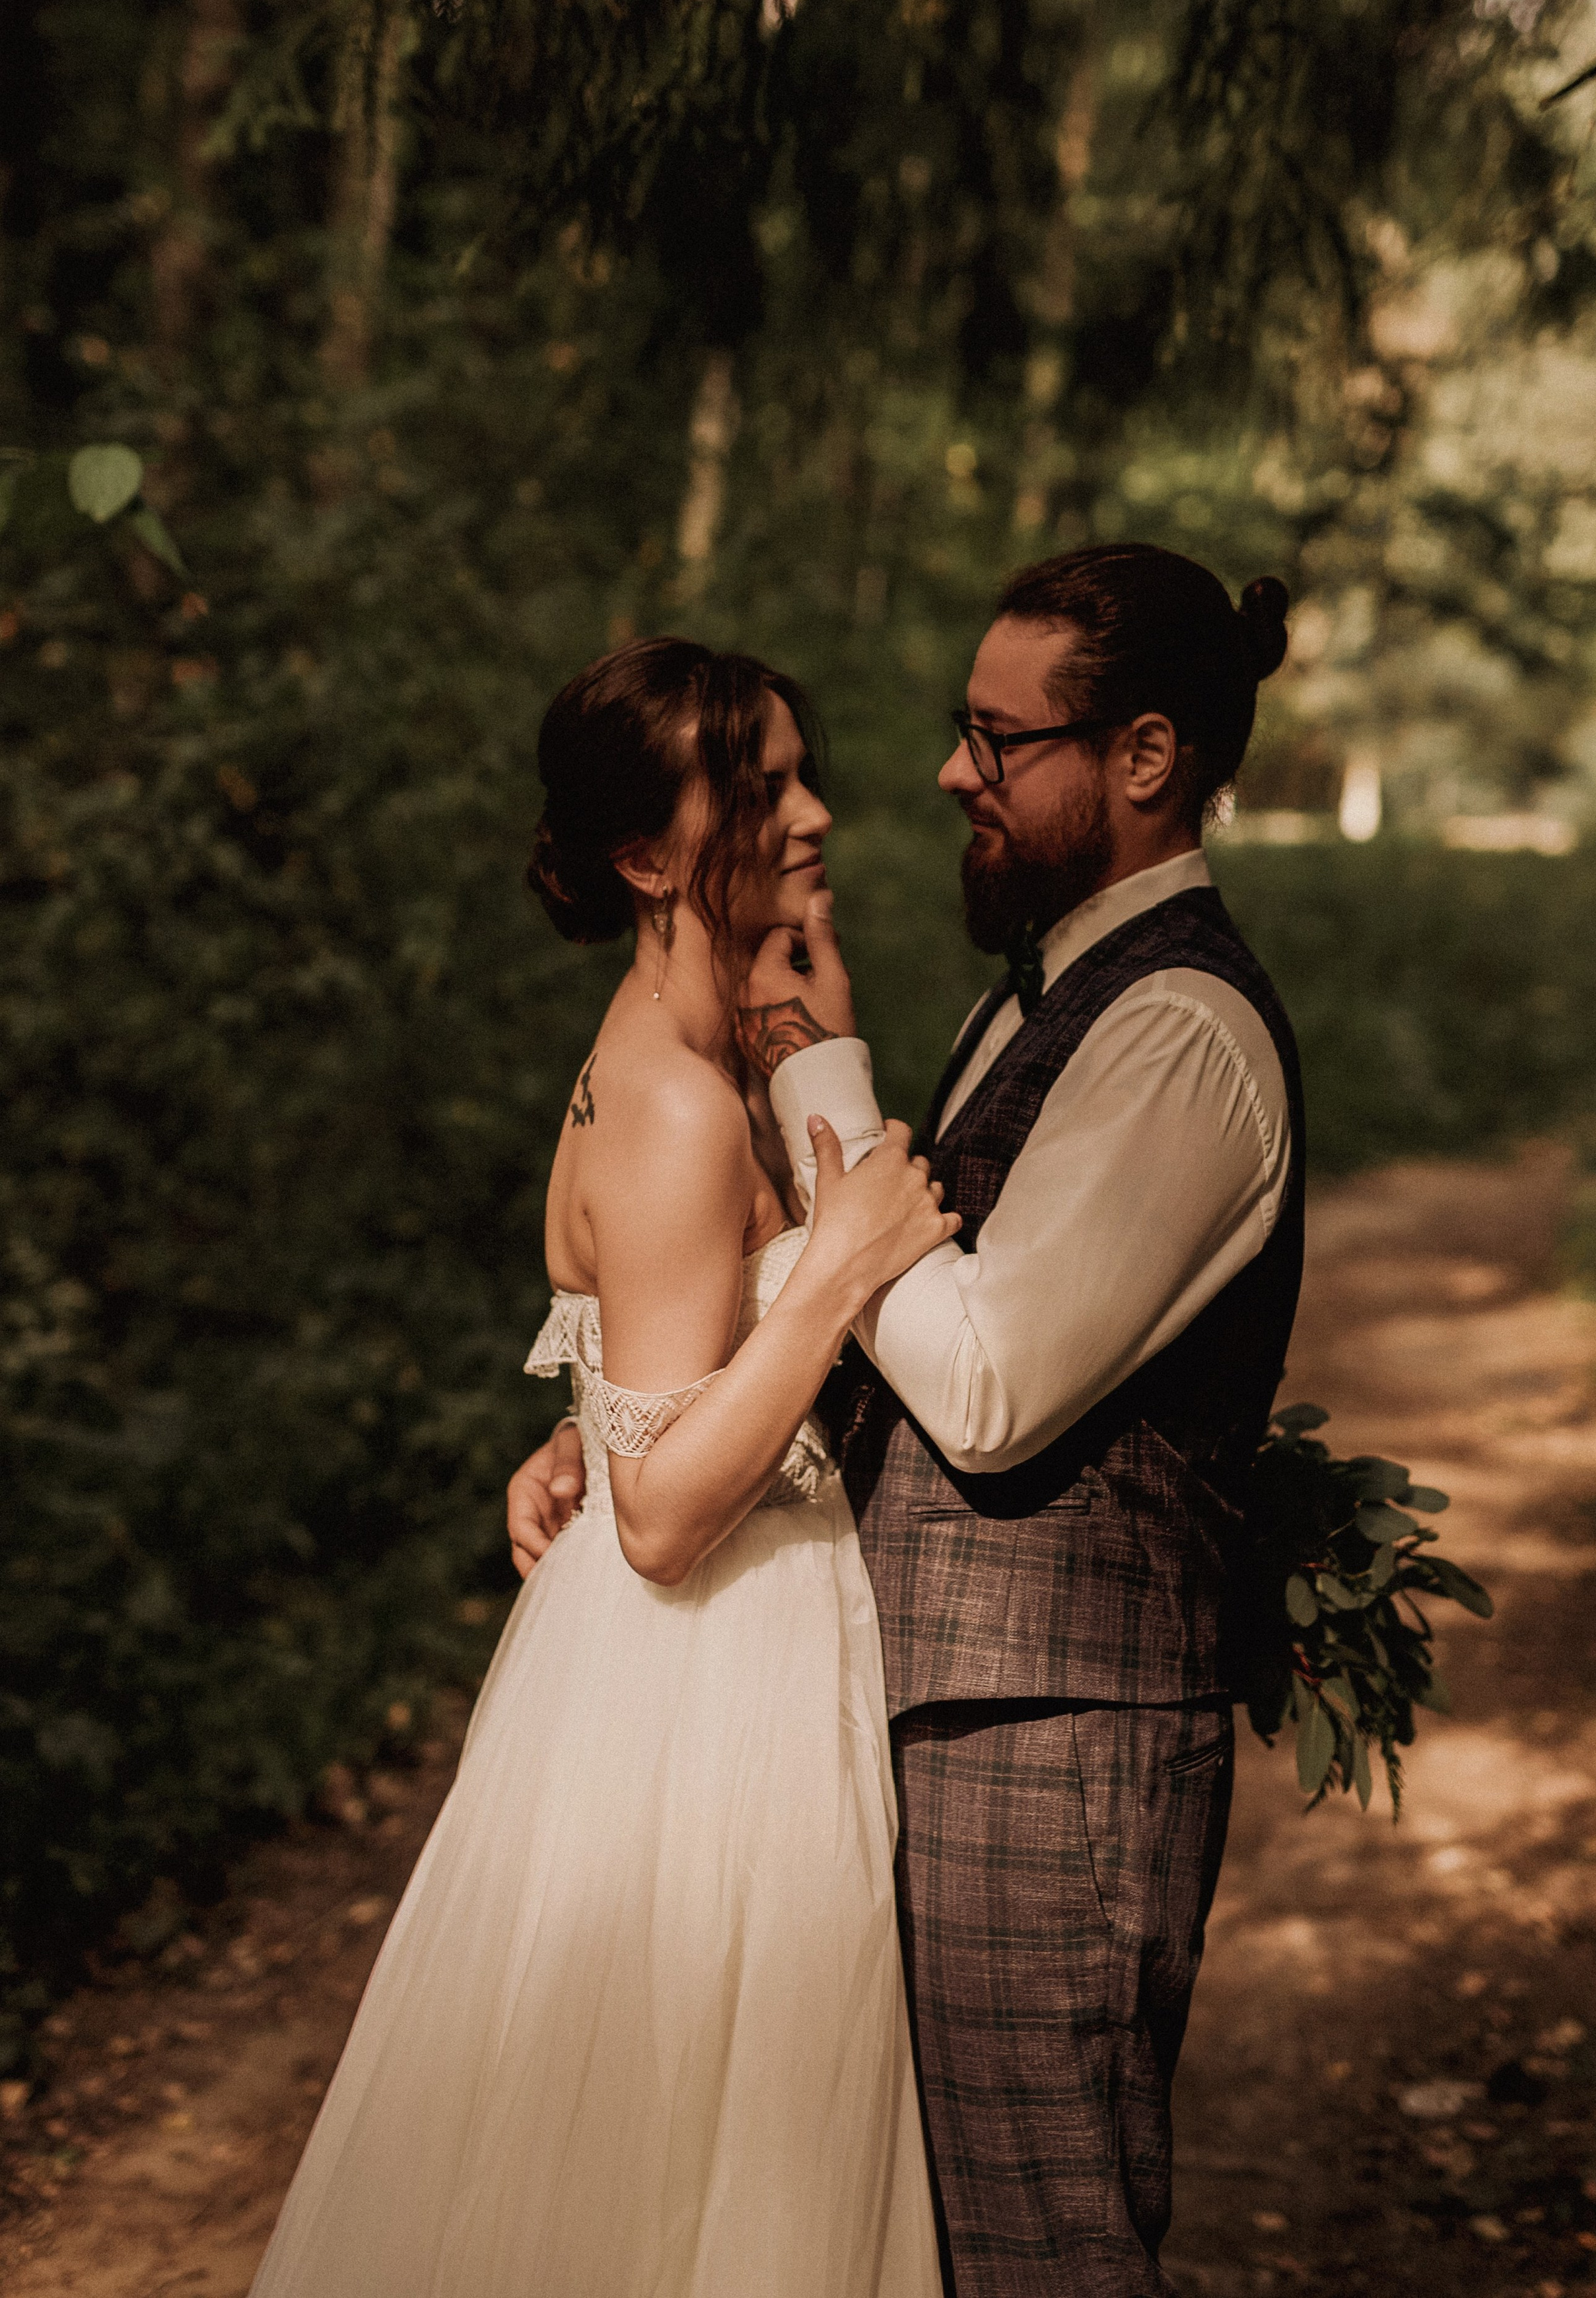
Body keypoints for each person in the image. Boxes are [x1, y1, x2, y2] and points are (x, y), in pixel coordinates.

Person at [512, 543, 1303, 2297]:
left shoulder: (1176, 1032)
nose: (945, 770)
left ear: (1146, 757)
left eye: (996, 735)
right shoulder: (1032, 998)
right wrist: (626, 1403)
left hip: (1053, 1733)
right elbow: (819, 1306)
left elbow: (991, 1382)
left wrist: (818, 1074)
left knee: (1042, 2239)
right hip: (896, 1703)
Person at [250, 639, 955, 2298]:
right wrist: (843, 1269)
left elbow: (651, 1376)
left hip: (732, 1655)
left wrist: (582, 1421)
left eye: (802, 771)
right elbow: (654, 1519)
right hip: (696, 1687)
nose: (815, 813)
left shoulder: (702, 1060)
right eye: (763, 785)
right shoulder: (671, 1104)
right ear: (647, 856)